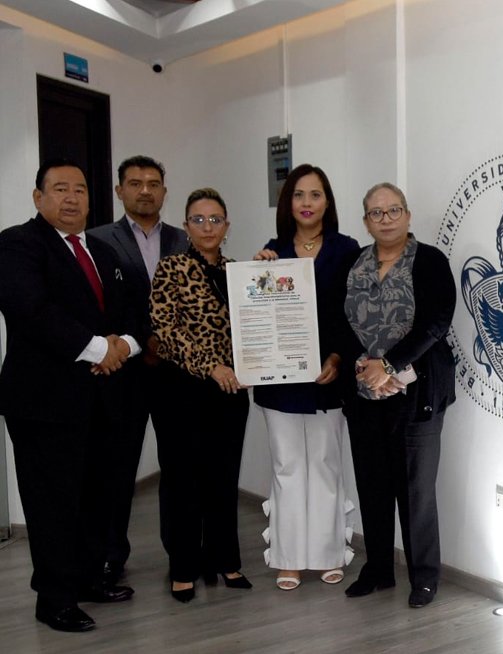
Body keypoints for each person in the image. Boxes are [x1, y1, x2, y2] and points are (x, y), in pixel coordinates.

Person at [0, 159, 139, 632]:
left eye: (79, 189)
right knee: (52, 503)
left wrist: (125, 345)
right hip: (44, 403)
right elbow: (31, 310)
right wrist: (101, 347)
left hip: (101, 399)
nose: (72, 198)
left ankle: (88, 580)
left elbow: (132, 312)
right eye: (60, 189)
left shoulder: (102, 250)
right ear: (38, 198)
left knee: (97, 496)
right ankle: (54, 598)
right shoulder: (18, 243)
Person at [336, 182, 456, 609]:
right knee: (372, 483)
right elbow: (339, 323)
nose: (385, 219)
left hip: (418, 390)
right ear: (365, 221)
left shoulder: (430, 261)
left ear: (407, 215)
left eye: (393, 210)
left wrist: (387, 365)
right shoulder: (354, 263)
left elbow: (436, 323)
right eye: (376, 213)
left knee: (416, 490)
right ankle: (379, 570)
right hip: (364, 391)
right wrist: (364, 368)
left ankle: (424, 577)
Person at [252, 164, 360, 590]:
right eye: (299, 195)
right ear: (288, 202)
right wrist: (256, 275)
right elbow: (257, 313)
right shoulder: (272, 252)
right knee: (287, 466)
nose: (307, 203)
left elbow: (354, 315)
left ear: (327, 201)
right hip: (279, 379)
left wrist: (337, 356)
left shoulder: (347, 249)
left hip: (327, 375)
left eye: (315, 195)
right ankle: (289, 557)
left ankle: (330, 553)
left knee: (326, 463)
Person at [87, 155, 188, 586]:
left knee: (180, 466)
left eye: (153, 183)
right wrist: (139, 340)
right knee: (117, 466)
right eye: (134, 183)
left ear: (164, 191)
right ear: (119, 191)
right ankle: (111, 553)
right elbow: (96, 305)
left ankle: (181, 551)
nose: (144, 190)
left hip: (176, 374)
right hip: (123, 373)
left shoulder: (184, 239)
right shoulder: (96, 240)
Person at [149, 187, 251, 603]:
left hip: (230, 393)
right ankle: (184, 567)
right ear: (186, 225)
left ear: (227, 226)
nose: (207, 226)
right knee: (181, 481)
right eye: (198, 219)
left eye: (215, 219)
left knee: (223, 479)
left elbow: (260, 327)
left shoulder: (240, 274)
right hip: (182, 391)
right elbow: (165, 331)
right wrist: (213, 367)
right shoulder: (171, 268)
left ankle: (226, 560)